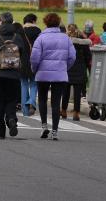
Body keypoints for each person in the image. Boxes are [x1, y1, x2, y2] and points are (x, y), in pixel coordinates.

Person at [30, 13, 76, 141]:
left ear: (45, 23)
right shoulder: (66, 38)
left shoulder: (41, 38)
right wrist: (64, 68)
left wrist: (35, 69)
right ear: (58, 23)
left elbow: (34, 57)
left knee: (43, 100)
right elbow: (72, 56)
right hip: (60, 73)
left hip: (43, 73)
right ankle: (55, 131)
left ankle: (44, 126)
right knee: (56, 102)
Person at [62, 24, 92, 121]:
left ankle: (63, 111)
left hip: (68, 69)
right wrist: (87, 68)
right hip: (80, 69)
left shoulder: (65, 42)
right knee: (77, 94)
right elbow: (88, 57)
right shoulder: (84, 43)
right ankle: (76, 113)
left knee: (65, 92)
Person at [21, 13, 41, 116]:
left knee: (24, 84)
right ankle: (32, 102)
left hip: (22, 61)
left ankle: (25, 110)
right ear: (33, 21)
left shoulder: (20, 31)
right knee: (34, 83)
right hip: (35, 60)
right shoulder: (38, 31)